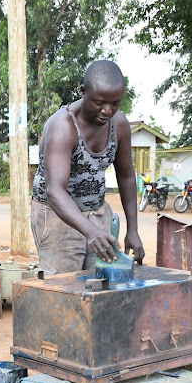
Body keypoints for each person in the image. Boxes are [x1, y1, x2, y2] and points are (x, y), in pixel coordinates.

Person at [31, 60, 145, 275]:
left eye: (115, 103)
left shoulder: (119, 125)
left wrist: (133, 229)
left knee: (101, 282)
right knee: (64, 284)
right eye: (100, 102)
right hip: (56, 214)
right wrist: (90, 231)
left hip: (96, 211)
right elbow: (55, 191)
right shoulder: (63, 127)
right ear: (83, 92)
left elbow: (127, 176)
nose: (107, 110)